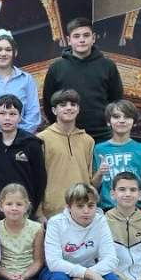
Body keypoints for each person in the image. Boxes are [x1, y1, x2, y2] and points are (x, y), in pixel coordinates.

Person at [41, 18, 124, 143]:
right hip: (67, 136)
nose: (82, 40)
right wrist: (61, 128)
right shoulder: (56, 68)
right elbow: (49, 103)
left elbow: (116, 100)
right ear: (69, 40)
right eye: (76, 36)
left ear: (93, 38)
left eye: (86, 35)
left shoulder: (108, 66)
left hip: (102, 136)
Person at [39, 89, 104, 219]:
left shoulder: (88, 140)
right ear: (54, 110)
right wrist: (38, 213)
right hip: (52, 211)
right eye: (63, 105)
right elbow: (36, 179)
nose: (69, 108)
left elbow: (91, 183)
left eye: (73, 104)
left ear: (78, 109)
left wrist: (101, 173)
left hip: (82, 210)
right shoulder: (42, 139)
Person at [0, 94, 45, 217]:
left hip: (23, 212)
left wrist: (34, 208)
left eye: (12, 114)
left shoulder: (32, 144)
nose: (7, 118)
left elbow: (39, 180)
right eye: (2, 113)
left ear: (20, 117)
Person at [93, 99, 141, 213]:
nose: (122, 120)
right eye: (116, 117)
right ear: (108, 121)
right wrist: (100, 173)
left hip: (135, 210)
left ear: (134, 122)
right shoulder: (98, 149)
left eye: (127, 117)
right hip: (107, 210)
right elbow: (93, 186)